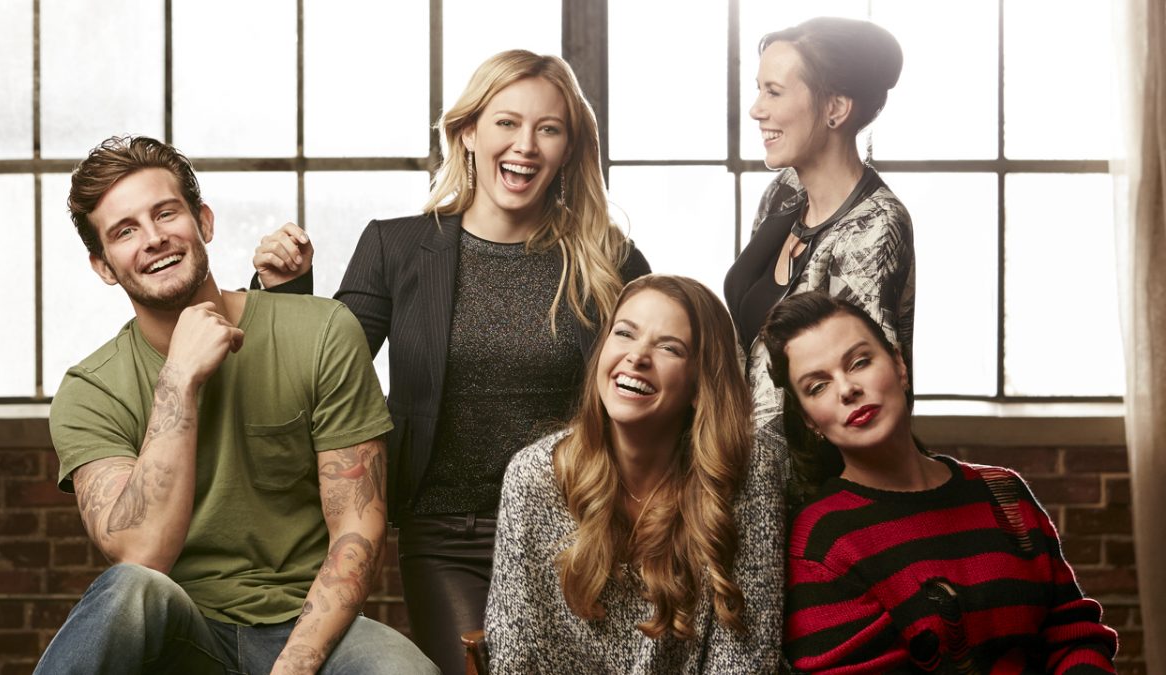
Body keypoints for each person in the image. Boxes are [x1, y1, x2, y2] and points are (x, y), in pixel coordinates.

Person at [252, 50, 651, 674]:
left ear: (570, 148)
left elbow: (656, 388)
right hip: (446, 536)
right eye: (506, 123)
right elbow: (322, 379)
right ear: (467, 132)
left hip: (578, 530)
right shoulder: (396, 247)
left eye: (548, 129)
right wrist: (286, 291)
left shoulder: (610, 259)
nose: (525, 145)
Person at [37, 136, 436, 675]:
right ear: (104, 265)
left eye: (165, 213)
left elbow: (357, 525)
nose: (153, 238)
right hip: (182, 634)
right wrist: (178, 378)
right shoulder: (92, 390)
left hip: (308, 622)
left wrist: (296, 665)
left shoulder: (322, 331)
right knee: (129, 587)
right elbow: (142, 554)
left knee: (405, 671)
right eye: (124, 231)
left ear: (203, 221)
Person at [762, 291, 1118, 672]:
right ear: (809, 420)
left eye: (860, 362)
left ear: (899, 365)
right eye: (818, 386)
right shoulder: (821, 544)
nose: (847, 389)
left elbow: (1073, 635)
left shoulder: (1003, 493)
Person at [484, 275, 784, 673]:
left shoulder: (743, 469)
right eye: (625, 333)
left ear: (700, 384)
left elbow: (746, 660)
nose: (637, 356)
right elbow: (515, 654)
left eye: (669, 348)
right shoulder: (534, 476)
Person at [724, 16, 915, 492]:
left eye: (773, 92)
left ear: (835, 107)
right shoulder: (784, 191)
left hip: (814, 486)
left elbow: (854, 399)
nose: (756, 110)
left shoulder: (876, 226)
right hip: (745, 466)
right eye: (759, 91)